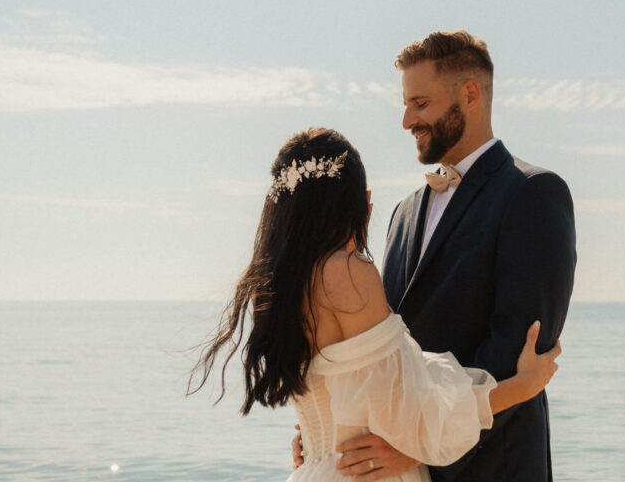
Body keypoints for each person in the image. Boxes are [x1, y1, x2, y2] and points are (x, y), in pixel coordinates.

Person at [188, 127, 563, 482]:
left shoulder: (273, 285)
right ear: (357, 202)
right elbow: (412, 413)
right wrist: (525, 384)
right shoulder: (350, 273)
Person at [327, 31, 577, 481]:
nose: (406, 120)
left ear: (470, 94)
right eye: (405, 104)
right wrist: (333, 432)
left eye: (420, 104)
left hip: (492, 467)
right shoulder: (404, 211)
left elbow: (516, 353)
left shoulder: (534, 194)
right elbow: (384, 347)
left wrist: (419, 446)